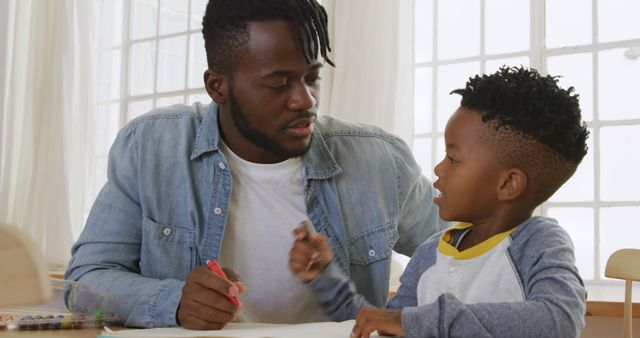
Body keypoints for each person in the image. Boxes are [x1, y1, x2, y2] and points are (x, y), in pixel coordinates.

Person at [64, 0, 447, 330]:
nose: (305, 100)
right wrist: (174, 301)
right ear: (218, 86)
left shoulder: (380, 160)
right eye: (279, 84)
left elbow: (481, 252)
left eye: (312, 77)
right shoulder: (151, 148)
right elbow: (84, 283)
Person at [290, 66, 589, 338]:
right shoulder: (430, 253)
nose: (438, 169)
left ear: (508, 184)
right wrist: (327, 280)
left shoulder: (538, 243)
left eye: (454, 159)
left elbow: (559, 321)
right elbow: (382, 326)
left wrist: (423, 322)